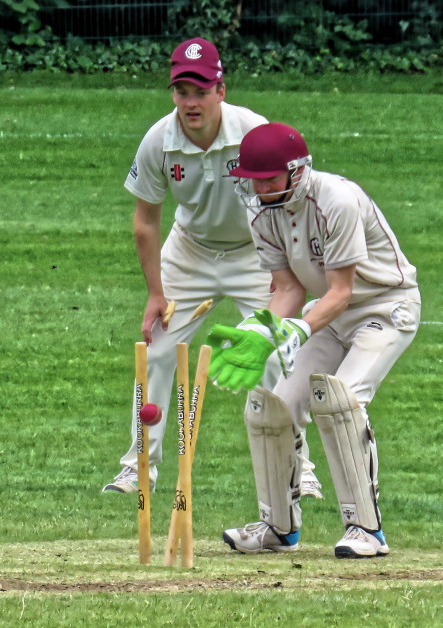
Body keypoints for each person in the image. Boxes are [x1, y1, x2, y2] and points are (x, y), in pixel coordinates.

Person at [102, 38, 311, 495]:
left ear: (221, 89)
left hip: (255, 254)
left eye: (200, 91)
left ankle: (299, 465)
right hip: (190, 253)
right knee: (156, 351)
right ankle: (139, 467)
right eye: (181, 92)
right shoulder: (160, 140)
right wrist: (156, 294)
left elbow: (288, 204)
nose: (190, 103)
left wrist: (283, 270)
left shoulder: (254, 131)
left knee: (275, 351)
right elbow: (145, 222)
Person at [208, 122, 420, 557]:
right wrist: (258, 331)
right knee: (271, 405)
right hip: (330, 314)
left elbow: (342, 292)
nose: (259, 188)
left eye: (268, 178)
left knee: (342, 399)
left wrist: (299, 328)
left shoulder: (337, 200)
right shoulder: (261, 210)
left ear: (297, 170)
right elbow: (288, 289)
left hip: (384, 307)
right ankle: (278, 528)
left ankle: (366, 530)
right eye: (251, 179)